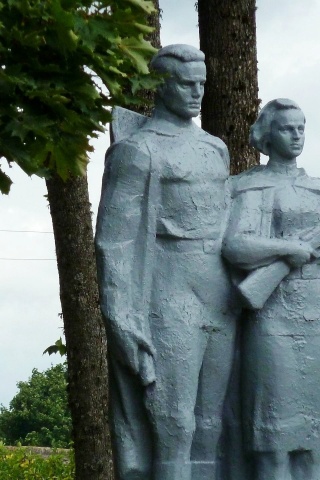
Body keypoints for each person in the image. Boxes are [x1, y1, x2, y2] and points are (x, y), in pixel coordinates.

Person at [95, 44, 238, 480]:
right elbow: (113, 243)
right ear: (161, 86)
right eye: (186, 83)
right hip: (168, 293)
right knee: (174, 423)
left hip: (219, 294)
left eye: (202, 84)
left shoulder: (216, 148)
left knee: (212, 424)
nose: (197, 92)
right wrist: (121, 318)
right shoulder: (138, 151)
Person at [223, 98, 320, 480]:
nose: (296, 135)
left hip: (317, 315)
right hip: (274, 317)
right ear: (267, 134)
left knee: (314, 441)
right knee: (275, 441)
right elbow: (237, 246)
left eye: (301, 127)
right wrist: (291, 249)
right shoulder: (251, 185)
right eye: (286, 128)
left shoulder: (316, 189)